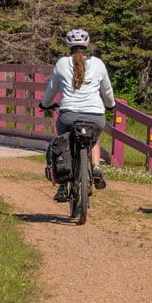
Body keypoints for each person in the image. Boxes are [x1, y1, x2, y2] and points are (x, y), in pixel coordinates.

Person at [40, 28, 117, 202]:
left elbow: (51, 89)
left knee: (63, 144)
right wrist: (111, 105)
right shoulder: (98, 63)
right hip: (95, 116)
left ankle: (62, 187)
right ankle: (96, 166)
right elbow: (106, 90)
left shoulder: (61, 63)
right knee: (94, 139)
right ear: (87, 45)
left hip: (68, 115)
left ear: (68, 45)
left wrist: (44, 104)